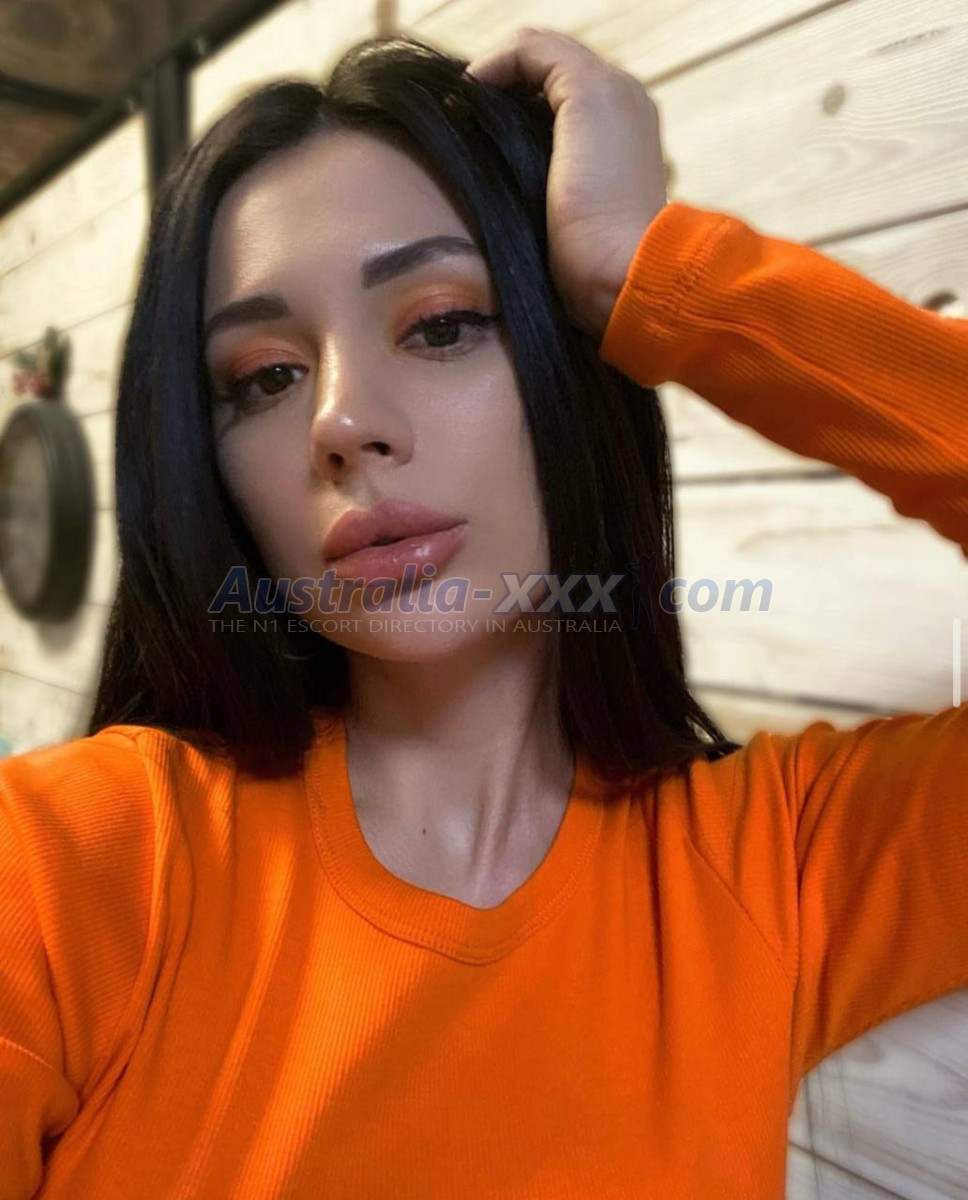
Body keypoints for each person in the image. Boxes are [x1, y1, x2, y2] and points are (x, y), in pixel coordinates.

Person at [1, 26, 965, 1199]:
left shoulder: (778, 869)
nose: (341, 420)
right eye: (265, 377)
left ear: (567, 364)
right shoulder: (66, 868)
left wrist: (648, 272)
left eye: (443, 323)